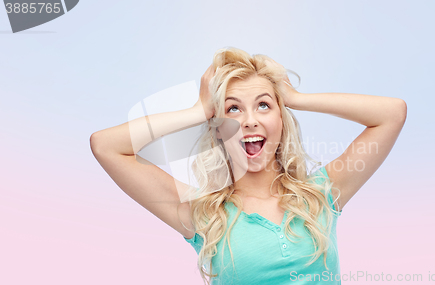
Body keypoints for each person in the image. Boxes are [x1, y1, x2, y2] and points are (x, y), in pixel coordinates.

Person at [90, 47, 407, 285]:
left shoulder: (321, 194)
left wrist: (296, 98)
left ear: (281, 119)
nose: (250, 120)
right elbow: (107, 147)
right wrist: (199, 110)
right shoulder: (203, 215)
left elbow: (391, 114)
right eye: (233, 109)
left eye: (264, 105)